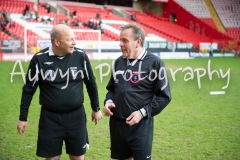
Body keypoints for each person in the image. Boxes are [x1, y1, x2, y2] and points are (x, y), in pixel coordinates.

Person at [17, 24, 102, 160]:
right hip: (50, 119)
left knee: (77, 157)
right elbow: (28, 89)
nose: (74, 42)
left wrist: (96, 108)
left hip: (76, 118)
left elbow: (91, 83)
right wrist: (23, 117)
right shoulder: (40, 59)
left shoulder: (80, 56)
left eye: (74, 38)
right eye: (69, 39)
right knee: (52, 158)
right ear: (57, 42)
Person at [103, 22, 171, 160]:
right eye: (120, 40)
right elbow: (112, 89)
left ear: (138, 42)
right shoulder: (118, 62)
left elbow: (164, 97)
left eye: (125, 41)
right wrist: (108, 101)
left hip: (140, 127)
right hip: (117, 125)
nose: (120, 44)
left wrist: (142, 113)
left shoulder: (155, 63)